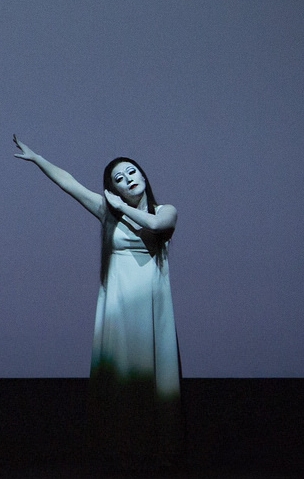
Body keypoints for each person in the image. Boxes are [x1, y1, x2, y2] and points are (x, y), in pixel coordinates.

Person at [12, 136, 182, 463]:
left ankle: (155, 447)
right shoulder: (109, 213)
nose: (128, 179)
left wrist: (121, 208)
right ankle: (118, 446)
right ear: (114, 189)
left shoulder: (166, 210)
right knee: (119, 374)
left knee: (151, 372)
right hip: (119, 304)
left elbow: (156, 224)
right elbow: (69, 184)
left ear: (143, 176)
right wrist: (37, 158)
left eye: (132, 172)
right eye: (119, 179)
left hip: (150, 304)